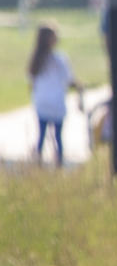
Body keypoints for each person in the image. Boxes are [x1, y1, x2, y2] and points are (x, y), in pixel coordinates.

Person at [26, 25, 83, 166]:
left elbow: (31, 82)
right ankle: (59, 162)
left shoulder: (36, 60)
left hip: (41, 102)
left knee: (41, 135)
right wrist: (79, 86)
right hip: (57, 102)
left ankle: (37, 161)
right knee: (58, 136)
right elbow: (69, 79)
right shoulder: (59, 58)